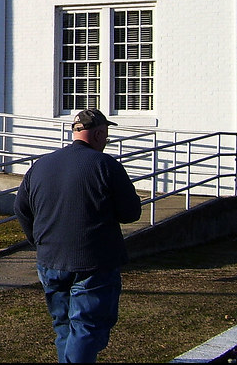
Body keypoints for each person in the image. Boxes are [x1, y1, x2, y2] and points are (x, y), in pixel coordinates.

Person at [14, 108, 142, 363]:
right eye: (105, 135)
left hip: (49, 259)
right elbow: (131, 212)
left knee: (64, 325)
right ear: (97, 134)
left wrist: (37, 240)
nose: (106, 141)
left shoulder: (41, 165)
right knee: (87, 327)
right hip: (93, 262)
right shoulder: (106, 165)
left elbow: (21, 208)